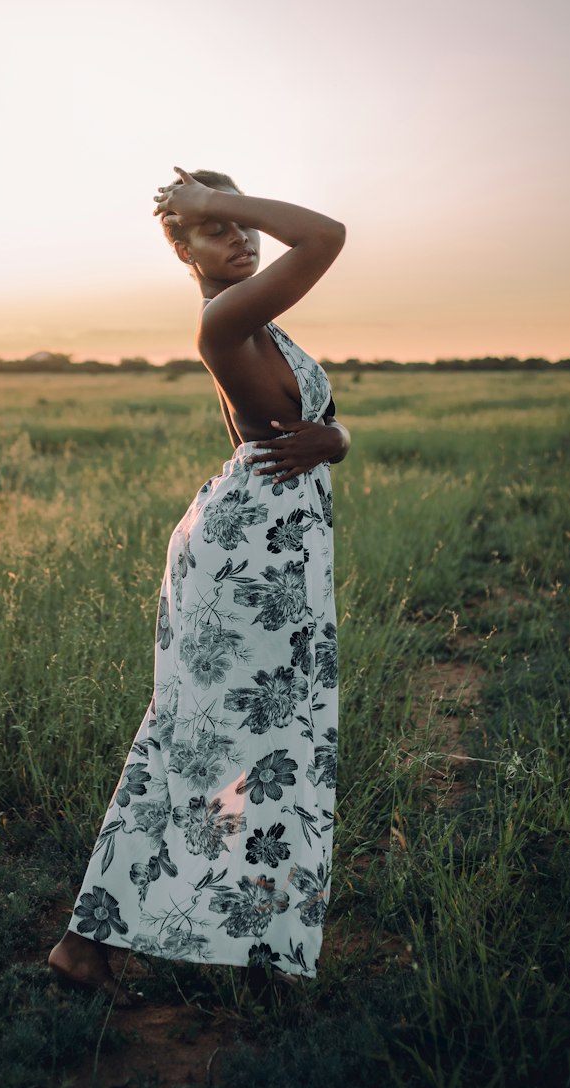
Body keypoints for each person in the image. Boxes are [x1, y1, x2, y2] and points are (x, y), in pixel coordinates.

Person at [48, 167, 349, 1001]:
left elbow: (311, 424)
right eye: (217, 227)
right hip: (245, 564)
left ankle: (257, 946)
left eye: (241, 218)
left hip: (280, 559)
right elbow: (327, 235)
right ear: (184, 249)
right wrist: (216, 200)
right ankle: (87, 944)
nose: (242, 237)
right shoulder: (224, 317)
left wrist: (338, 438)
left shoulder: (268, 325)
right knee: (206, 745)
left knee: (275, 750)